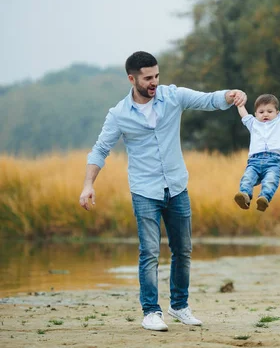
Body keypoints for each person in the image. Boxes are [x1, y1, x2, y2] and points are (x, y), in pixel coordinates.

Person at [78, 51, 247, 332]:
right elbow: (100, 150)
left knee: (183, 250)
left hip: (177, 187)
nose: (154, 82)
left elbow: (208, 99)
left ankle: (179, 306)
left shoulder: (173, 96)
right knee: (150, 252)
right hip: (145, 190)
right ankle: (151, 312)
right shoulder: (119, 114)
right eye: (147, 78)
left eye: (156, 75)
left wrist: (231, 94)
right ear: (132, 79)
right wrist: (88, 185)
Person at [234, 93, 280, 211]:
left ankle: (264, 198)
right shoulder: (253, 124)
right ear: (256, 114)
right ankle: (244, 196)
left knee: (271, 180)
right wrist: (238, 102)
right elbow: (244, 114)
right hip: (254, 161)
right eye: (261, 112)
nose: (265, 114)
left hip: (273, 161)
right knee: (247, 178)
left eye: (269, 111)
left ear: (277, 112)